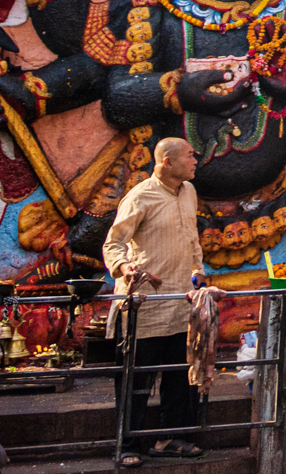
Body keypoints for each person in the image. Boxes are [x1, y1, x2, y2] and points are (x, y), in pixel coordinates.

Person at [104, 137, 206, 466]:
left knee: (178, 374)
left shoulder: (189, 192)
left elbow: (192, 240)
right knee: (137, 378)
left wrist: (199, 273)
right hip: (144, 305)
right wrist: (123, 267)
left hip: (180, 300)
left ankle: (170, 438)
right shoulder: (140, 196)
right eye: (189, 156)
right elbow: (114, 243)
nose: (195, 160)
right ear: (166, 163)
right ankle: (128, 445)